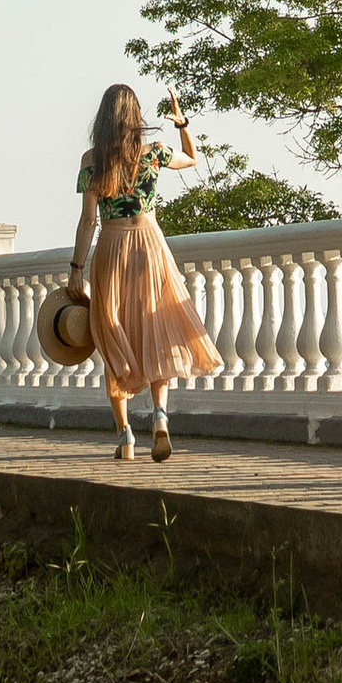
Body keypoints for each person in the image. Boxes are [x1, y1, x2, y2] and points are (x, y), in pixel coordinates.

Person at [67, 81, 221, 460]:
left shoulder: (92, 160)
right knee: (158, 331)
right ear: (136, 118)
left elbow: (89, 221)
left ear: (103, 119)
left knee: (112, 334)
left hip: (113, 248)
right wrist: (182, 122)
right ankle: (160, 416)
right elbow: (191, 158)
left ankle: (124, 436)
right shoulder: (153, 153)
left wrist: (76, 268)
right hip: (150, 244)